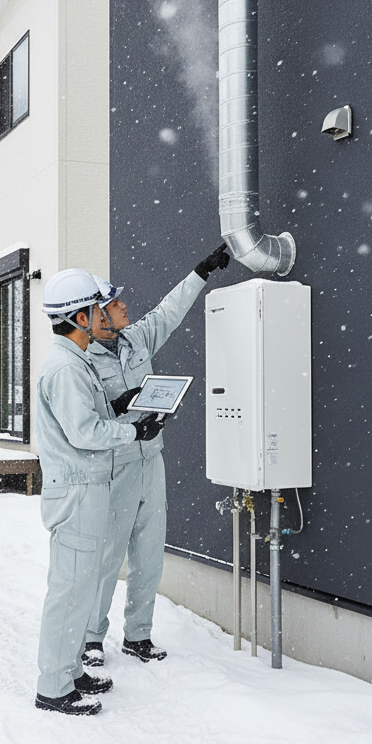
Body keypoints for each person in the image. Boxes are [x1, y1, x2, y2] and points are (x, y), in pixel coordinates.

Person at [81, 244, 230, 669]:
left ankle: (138, 635)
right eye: (115, 303)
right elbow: (86, 418)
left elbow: (171, 309)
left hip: (153, 462)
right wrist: (120, 410)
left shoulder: (137, 338)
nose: (124, 306)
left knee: (149, 554)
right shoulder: (83, 362)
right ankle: (92, 637)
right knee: (110, 555)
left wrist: (201, 271)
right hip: (118, 466)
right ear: (96, 317)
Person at [34, 268, 164, 717]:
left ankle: (70, 672)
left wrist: (121, 406)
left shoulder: (77, 362)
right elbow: (84, 431)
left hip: (88, 489)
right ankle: (53, 686)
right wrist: (133, 430)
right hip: (77, 491)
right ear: (79, 316)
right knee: (70, 589)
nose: (101, 314)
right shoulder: (66, 367)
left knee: (82, 585)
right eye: (95, 308)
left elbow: (91, 414)